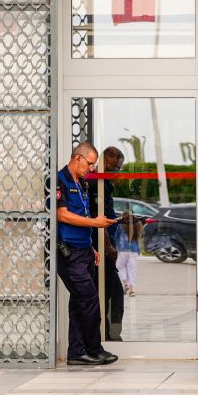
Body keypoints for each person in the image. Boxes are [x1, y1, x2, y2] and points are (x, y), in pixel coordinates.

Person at [57, 141, 119, 366]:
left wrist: (91, 247)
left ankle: (77, 352)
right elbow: (62, 215)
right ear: (78, 158)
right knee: (90, 300)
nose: (92, 168)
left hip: (84, 250)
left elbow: (81, 213)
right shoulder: (59, 180)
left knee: (78, 302)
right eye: (90, 164)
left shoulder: (81, 182)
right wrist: (95, 222)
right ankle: (94, 349)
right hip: (69, 252)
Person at [89, 146, 126, 341]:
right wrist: (108, 246)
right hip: (100, 248)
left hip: (106, 245)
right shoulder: (96, 184)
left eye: (120, 168)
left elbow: (106, 215)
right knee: (106, 293)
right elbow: (97, 217)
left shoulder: (105, 185)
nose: (118, 173)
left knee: (114, 293)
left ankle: (111, 334)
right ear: (105, 164)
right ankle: (104, 336)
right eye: (115, 168)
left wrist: (120, 219)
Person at [116, 210, 142, 297]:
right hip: (134, 250)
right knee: (132, 269)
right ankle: (132, 290)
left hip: (123, 249)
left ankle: (125, 283)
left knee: (119, 266)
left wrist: (116, 247)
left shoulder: (120, 226)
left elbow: (116, 237)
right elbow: (138, 239)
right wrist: (138, 250)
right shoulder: (137, 225)